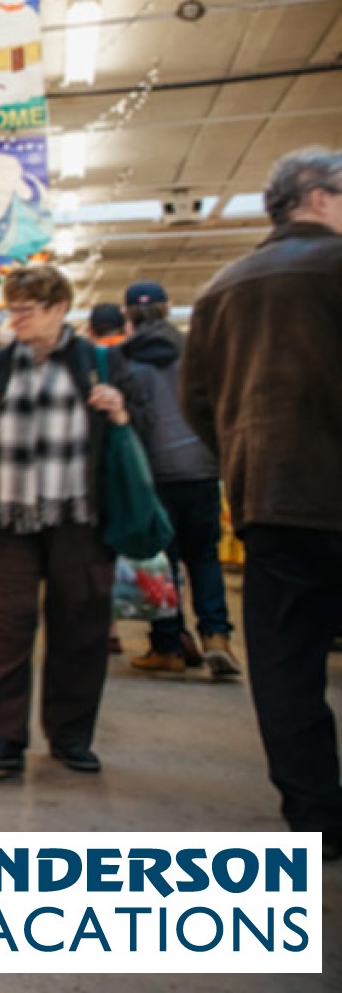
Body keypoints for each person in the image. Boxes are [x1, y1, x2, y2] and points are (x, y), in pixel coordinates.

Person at [180, 147, 342, 860]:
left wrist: (243, 458)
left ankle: (315, 817)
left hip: (269, 501)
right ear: (321, 197)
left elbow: (197, 402)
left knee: (284, 669)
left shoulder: (221, 289)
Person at [0, 265, 147, 775]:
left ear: (60, 310)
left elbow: (142, 428)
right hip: (9, 521)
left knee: (80, 629)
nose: (15, 319)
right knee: (9, 626)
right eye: (11, 309)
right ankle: (2, 738)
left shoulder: (100, 362)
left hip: (80, 519)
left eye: (27, 310)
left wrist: (120, 409)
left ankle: (71, 735)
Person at [118, 280, 240, 680]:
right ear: (168, 309)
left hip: (153, 474)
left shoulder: (126, 361)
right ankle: (216, 636)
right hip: (201, 468)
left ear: (127, 315)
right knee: (203, 556)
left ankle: (168, 645)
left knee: (161, 562)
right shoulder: (197, 354)